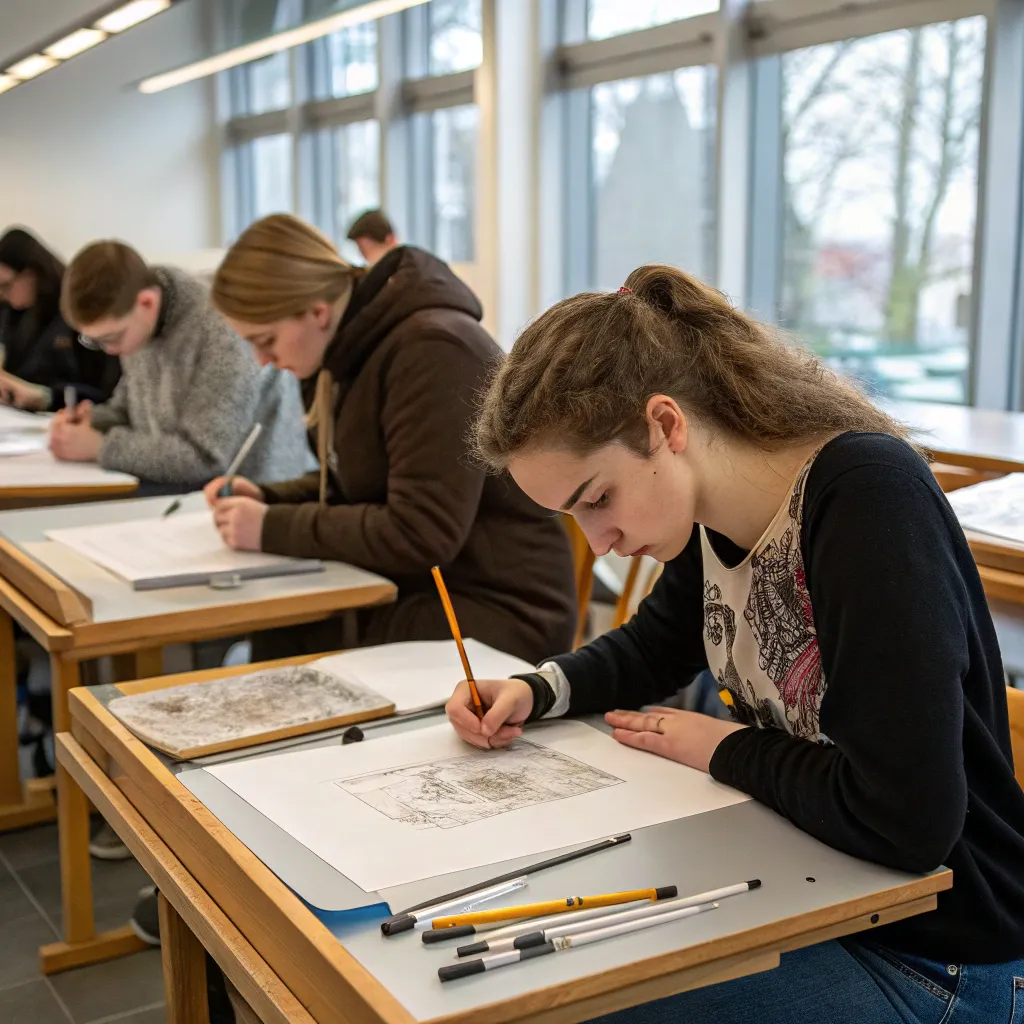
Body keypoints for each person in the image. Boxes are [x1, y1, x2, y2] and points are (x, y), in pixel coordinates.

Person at [445, 266, 1024, 1023]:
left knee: (570, 1007)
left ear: (665, 425)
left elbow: (907, 821)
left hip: (939, 957)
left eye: (598, 498)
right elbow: (655, 648)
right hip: (819, 895)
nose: (603, 543)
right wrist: (539, 688)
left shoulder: (867, 502)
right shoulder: (709, 513)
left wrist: (719, 749)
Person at [205, 213, 576, 664]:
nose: (262, 360)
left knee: (293, 652)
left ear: (317, 312)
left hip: (495, 613)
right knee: (280, 637)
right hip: (420, 591)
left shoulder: (434, 351)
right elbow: (357, 486)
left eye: (265, 339)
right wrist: (268, 498)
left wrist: (271, 527)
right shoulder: (340, 354)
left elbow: (420, 532)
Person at [51, 240, 314, 492]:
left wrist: (100, 447)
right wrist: (94, 421)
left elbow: (205, 458)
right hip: (175, 492)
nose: (110, 350)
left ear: (147, 302)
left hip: (250, 496)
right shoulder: (137, 318)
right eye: (94, 341)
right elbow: (129, 409)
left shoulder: (219, 329)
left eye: (112, 338)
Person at [0, 227, 119, 411]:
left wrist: (47, 396)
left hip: (68, 416)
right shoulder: (11, 313)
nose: (3, 295)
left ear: (33, 273)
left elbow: (107, 393)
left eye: (5, 285)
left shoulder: (78, 313)